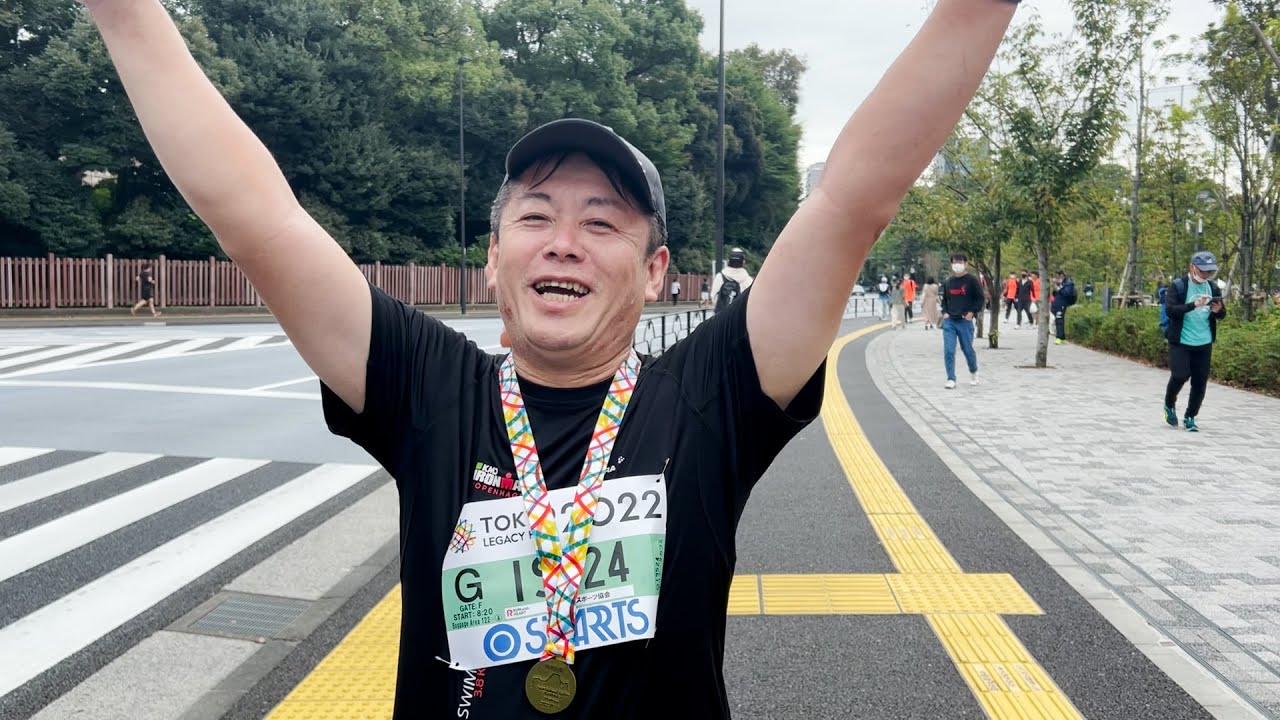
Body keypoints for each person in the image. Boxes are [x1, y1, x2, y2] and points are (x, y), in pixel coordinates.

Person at [79, 0, 1018, 715]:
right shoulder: (427, 389)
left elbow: (854, 198)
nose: (562, 242)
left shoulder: (710, 396)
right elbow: (259, 219)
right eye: (534, 217)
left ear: (654, 273)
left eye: (600, 223)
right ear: (494, 259)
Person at [1163, 251, 1227, 433]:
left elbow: (1222, 314)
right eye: (1203, 271)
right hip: (1181, 341)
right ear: (1192, 267)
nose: (1206, 275)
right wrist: (1194, 305)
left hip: (1204, 341)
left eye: (1210, 272)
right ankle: (1169, 404)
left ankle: (1190, 417)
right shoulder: (1178, 286)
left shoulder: (1213, 288)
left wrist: (1217, 311)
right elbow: (1171, 310)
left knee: (1200, 382)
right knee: (1180, 375)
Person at [941, 252, 983, 389]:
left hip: (965, 321)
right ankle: (951, 378)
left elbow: (980, 299)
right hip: (950, 321)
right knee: (949, 350)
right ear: (951, 264)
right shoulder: (948, 282)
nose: (957, 265)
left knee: (967, 349)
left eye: (960, 262)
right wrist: (945, 312)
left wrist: (972, 312)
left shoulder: (972, 280)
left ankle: (973, 371)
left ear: (965, 264)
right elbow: (944, 300)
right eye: (955, 262)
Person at [711, 247, 753, 314]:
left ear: (728, 261)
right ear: (743, 262)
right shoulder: (748, 280)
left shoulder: (720, 276)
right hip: (740, 317)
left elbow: (714, 298)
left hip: (722, 318)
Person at [1050, 269, 1076, 345]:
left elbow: (1066, 293)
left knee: (1059, 320)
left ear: (1061, 275)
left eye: (1057, 277)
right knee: (1057, 320)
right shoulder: (1060, 283)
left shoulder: (1069, 283)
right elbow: (1055, 294)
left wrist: (1058, 288)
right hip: (1056, 303)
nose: (1056, 278)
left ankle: (1059, 337)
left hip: (1062, 304)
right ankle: (1062, 337)